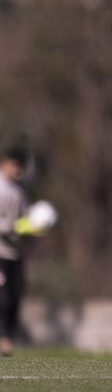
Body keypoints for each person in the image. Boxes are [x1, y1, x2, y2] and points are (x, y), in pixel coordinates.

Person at [0, 147, 29, 357]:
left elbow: (25, 220)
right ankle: (4, 340)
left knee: (15, 298)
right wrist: (9, 229)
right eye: (15, 164)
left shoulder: (20, 191)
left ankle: (8, 340)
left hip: (15, 254)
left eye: (22, 166)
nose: (18, 169)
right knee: (3, 299)